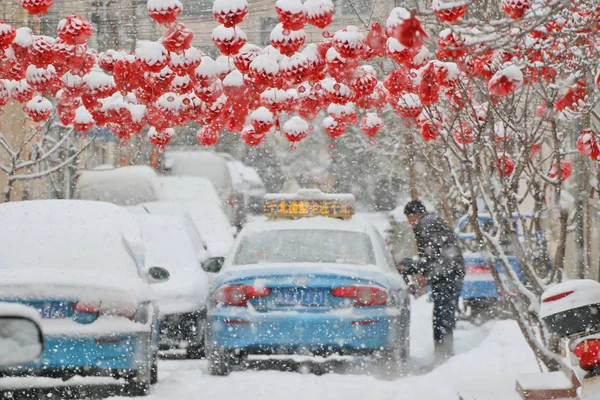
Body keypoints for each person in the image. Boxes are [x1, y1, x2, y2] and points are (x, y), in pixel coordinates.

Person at [398, 200, 465, 361]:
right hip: (450, 274)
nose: (410, 222)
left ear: (415, 215)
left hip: (447, 276)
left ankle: (444, 357)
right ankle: (444, 355)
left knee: (442, 318)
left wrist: (410, 266)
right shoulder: (432, 222)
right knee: (443, 316)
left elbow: (434, 259)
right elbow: (437, 258)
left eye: (410, 218)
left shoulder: (426, 226)